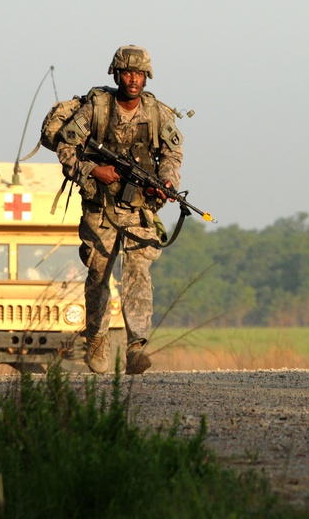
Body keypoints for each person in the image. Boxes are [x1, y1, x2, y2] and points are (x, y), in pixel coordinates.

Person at [56, 45, 183, 374]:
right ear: (116, 74)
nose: (133, 79)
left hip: (139, 207)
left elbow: (172, 154)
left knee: (138, 269)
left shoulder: (157, 113)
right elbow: (66, 146)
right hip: (100, 205)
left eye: (139, 73)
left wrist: (166, 182)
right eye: (127, 72)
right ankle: (96, 338)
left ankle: (136, 345)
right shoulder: (97, 109)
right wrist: (92, 170)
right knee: (99, 274)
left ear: (147, 77)